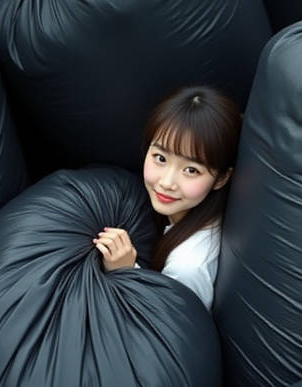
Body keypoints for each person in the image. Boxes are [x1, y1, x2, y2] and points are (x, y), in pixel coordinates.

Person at [93, 85, 241, 310]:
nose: (166, 182)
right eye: (160, 158)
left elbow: (173, 328)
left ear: (221, 179)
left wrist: (126, 271)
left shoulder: (188, 266)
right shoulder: (184, 211)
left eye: (191, 170)